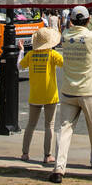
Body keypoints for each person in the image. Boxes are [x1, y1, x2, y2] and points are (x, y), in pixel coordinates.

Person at [51, 4, 92, 183]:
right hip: (88, 92)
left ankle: (59, 168)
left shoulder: (65, 37)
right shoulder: (91, 38)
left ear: (71, 20)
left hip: (68, 91)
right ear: (87, 20)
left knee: (64, 130)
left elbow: (82, 29)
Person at [20, 25, 64, 164]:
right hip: (50, 94)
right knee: (49, 125)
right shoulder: (52, 54)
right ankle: (47, 155)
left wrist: (21, 51)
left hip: (35, 94)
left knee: (31, 125)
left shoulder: (31, 55)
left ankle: (25, 153)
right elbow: (65, 64)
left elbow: (19, 66)